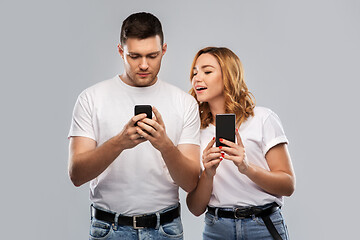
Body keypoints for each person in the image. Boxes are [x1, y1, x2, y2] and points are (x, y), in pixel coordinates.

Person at [68, 12, 201, 240]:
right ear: (121, 51)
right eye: (134, 56)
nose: (144, 65)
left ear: (164, 50)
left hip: (165, 229)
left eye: (152, 55)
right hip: (108, 228)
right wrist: (120, 143)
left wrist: (165, 145)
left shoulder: (184, 103)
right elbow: (77, 175)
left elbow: (190, 183)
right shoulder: (91, 98)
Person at [186, 47, 296, 240]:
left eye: (207, 71)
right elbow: (195, 208)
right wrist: (208, 174)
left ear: (228, 76)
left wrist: (246, 168)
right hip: (216, 229)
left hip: (262, 226)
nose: (197, 78)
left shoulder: (262, 119)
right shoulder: (195, 131)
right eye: (195, 72)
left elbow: (288, 185)